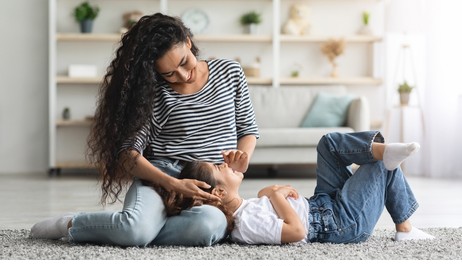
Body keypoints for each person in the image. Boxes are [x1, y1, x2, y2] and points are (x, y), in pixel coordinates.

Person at [30, 13, 258, 247]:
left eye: (183, 63)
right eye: (168, 73)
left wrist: (241, 162)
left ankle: (139, 226)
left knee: (207, 227)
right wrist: (173, 183)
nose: (181, 76)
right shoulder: (152, 92)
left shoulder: (230, 72)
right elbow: (128, 155)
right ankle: (72, 224)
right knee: (134, 232)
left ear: (188, 42)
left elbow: (248, 129)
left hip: (210, 183)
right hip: (161, 178)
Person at [179, 131, 435, 245]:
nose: (224, 164)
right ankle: (405, 228)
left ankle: (383, 150)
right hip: (338, 225)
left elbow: (262, 197)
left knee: (328, 143)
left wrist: (269, 193)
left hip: (321, 204)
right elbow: (297, 231)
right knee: (379, 167)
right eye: (218, 167)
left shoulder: (242, 209)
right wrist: (277, 195)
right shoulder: (244, 225)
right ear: (219, 193)